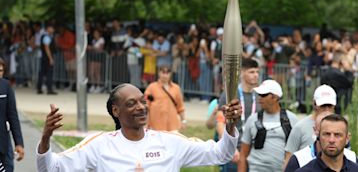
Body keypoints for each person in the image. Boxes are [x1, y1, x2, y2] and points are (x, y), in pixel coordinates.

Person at [36, 83, 241, 171]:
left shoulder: (170, 142)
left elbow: (221, 154)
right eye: (131, 103)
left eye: (143, 101)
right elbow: (52, 168)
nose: (141, 107)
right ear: (116, 111)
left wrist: (231, 124)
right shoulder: (99, 145)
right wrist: (45, 138)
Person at [238, 79, 298, 172]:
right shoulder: (252, 120)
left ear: (275, 97)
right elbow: (243, 155)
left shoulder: (292, 119)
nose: (259, 98)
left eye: (263, 95)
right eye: (259, 95)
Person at [217, 58, 261, 172]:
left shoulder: (260, 95)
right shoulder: (230, 93)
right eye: (251, 72)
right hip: (234, 151)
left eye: (257, 72)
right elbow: (220, 122)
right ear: (242, 73)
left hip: (254, 153)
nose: (256, 75)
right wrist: (229, 147)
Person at [285, 111, 358, 172]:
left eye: (337, 135)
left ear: (347, 138)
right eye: (327, 134)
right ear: (318, 135)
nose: (331, 140)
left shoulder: (357, 168)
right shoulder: (300, 161)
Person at [283, 84, 337, 168]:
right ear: (314, 104)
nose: (327, 109)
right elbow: (288, 159)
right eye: (323, 106)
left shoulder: (340, 127)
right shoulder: (300, 127)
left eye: (330, 106)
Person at [144, 65, 186, 131]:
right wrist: (146, 124)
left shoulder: (176, 88)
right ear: (159, 73)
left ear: (170, 74)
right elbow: (146, 107)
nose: (165, 75)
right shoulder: (151, 87)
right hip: (155, 127)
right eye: (163, 72)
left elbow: (180, 107)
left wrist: (183, 121)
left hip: (172, 126)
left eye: (167, 73)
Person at [0, 58, 24, 171]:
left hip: (3, 143)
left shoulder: (6, 86)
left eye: (0, 71)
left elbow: (13, 116)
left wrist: (19, 143)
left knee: (8, 168)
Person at [37, 23, 57, 95]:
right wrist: (51, 58)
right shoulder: (47, 37)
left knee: (42, 73)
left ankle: (39, 88)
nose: (53, 30)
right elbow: (47, 48)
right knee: (49, 73)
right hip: (47, 57)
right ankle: (49, 89)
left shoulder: (45, 36)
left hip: (44, 57)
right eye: (52, 28)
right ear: (48, 28)